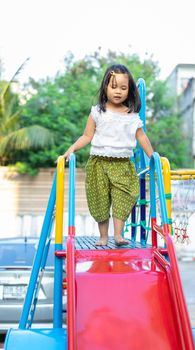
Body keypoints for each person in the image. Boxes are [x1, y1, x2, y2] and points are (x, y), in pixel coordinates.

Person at [63, 64, 154, 246]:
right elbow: (87, 135)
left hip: (123, 164)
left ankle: (118, 235)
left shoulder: (132, 116)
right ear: (105, 87)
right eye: (114, 86)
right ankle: (103, 236)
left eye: (123, 87)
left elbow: (141, 137)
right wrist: (72, 148)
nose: (118, 91)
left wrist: (153, 157)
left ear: (130, 90)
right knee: (100, 199)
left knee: (124, 195)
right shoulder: (98, 112)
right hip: (99, 163)